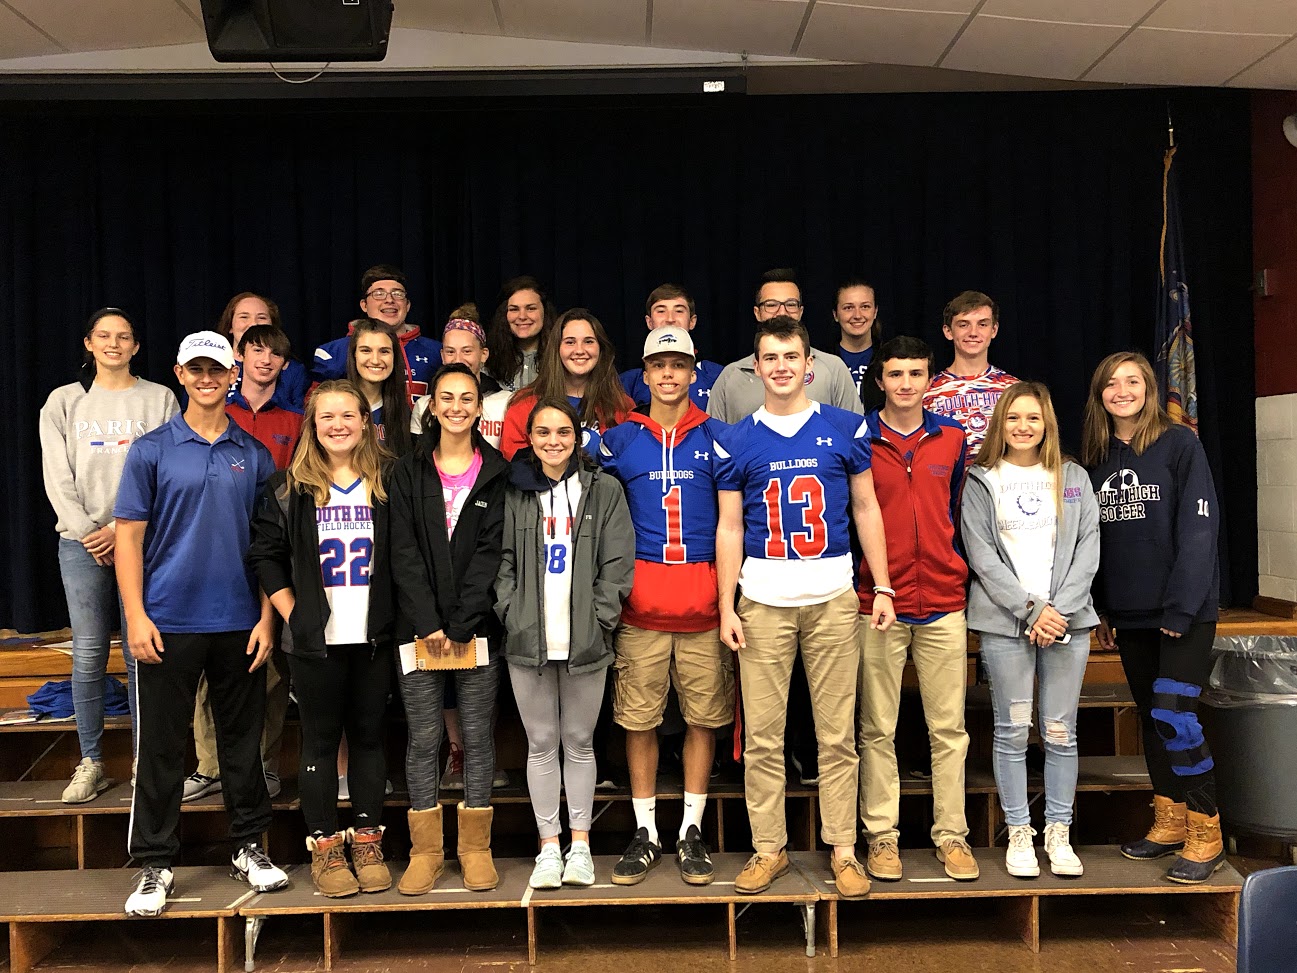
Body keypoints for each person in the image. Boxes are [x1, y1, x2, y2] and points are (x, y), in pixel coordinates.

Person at [714, 315, 892, 900]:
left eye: (791, 356)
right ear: (756, 366)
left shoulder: (845, 426)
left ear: (809, 365)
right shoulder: (735, 438)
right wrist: (726, 605)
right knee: (764, 739)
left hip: (831, 599)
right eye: (771, 357)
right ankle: (770, 849)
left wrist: (882, 586)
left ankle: (843, 849)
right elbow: (729, 526)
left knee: (836, 737)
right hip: (763, 601)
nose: (782, 366)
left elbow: (866, 508)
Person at [114, 331, 287, 917]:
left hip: (239, 621)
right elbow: (128, 538)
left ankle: (248, 846)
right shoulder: (151, 450)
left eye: (217, 369)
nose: (208, 379)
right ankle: (155, 863)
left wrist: (266, 617)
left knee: (242, 745)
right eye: (197, 370)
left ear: (232, 374)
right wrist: (136, 616)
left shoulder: (253, 453)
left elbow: (267, 546)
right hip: (166, 622)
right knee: (162, 749)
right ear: (180, 374)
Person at [248, 380, 395, 898]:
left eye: (348, 415)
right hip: (317, 640)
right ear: (311, 425)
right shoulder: (288, 487)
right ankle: (326, 847)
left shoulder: (388, 480)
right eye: (326, 416)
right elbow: (266, 555)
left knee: (370, 737)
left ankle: (368, 840)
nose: (338, 425)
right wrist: (294, 614)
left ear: (365, 423)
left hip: (373, 635)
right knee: (319, 739)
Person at [599, 327, 734, 886]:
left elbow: (735, 522)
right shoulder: (618, 440)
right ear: (646, 373)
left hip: (703, 607)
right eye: (659, 365)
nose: (669, 374)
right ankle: (646, 830)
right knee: (639, 720)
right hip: (641, 608)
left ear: (693, 372)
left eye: (679, 365)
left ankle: (690, 829)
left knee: (704, 718)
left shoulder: (719, 437)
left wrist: (728, 600)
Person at [1082, 351, 1224, 884]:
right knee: (1150, 716)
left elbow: (1199, 529)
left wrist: (1182, 605)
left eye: (1133, 381)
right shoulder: (1096, 458)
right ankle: (1169, 820)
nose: (1122, 391)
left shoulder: (1179, 444)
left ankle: (1206, 830)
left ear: (1149, 388)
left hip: (1182, 610)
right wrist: (1102, 608)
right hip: (1129, 612)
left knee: (1175, 715)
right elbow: (1096, 542)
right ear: (1100, 394)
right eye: (1111, 383)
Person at [39, 308, 178, 804]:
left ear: (136, 346)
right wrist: (87, 531)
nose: (114, 344)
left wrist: (121, 529)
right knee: (89, 651)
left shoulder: (159, 399)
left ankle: (144, 758)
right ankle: (92, 761)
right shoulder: (63, 401)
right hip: (81, 544)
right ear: (89, 343)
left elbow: (168, 469)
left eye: (123, 337)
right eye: (104, 336)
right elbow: (56, 476)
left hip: (140, 541)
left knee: (142, 650)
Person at [961, 381, 1100, 878]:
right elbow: (980, 555)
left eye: (1033, 418)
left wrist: (1056, 611)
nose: (1023, 426)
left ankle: (1058, 832)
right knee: (1013, 729)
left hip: (1067, 623)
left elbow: (1088, 548)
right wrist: (1030, 610)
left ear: (1047, 424)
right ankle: (1019, 832)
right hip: (1006, 624)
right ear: (1001, 422)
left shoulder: (1073, 477)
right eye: (1014, 417)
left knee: (1060, 732)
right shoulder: (981, 479)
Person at [496, 398, 635, 889]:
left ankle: (581, 846)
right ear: (529, 438)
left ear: (578, 437)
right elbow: (501, 561)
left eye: (562, 432)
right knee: (539, 744)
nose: (553, 441)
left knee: (578, 742)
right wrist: (511, 613)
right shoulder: (514, 490)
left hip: (585, 643)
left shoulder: (604, 489)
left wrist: (599, 620)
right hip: (528, 640)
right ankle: (548, 847)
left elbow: (618, 564)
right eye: (543, 432)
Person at [856, 336, 979, 882]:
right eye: (896, 374)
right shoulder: (860, 438)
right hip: (878, 603)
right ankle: (882, 837)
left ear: (931, 379)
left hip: (944, 602)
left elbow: (956, 510)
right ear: (880, 379)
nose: (906, 384)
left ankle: (952, 836)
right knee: (877, 728)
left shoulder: (952, 437)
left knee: (948, 728)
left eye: (916, 373)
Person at [389, 363, 510, 894]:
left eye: (466, 398)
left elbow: (492, 554)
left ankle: (476, 848)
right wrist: (429, 624)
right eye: (447, 397)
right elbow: (402, 551)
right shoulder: (406, 470)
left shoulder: (498, 472)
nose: (457, 407)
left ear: (479, 408)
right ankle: (426, 852)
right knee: (423, 738)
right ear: (431, 406)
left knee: (478, 737)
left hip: (476, 630)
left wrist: (460, 624)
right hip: (417, 630)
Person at [182, 324, 301, 804]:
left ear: (285, 365)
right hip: (216, 554)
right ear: (240, 359)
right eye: (256, 351)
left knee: (268, 668)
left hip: (273, 552)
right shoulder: (213, 410)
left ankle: (263, 764)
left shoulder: (294, 420)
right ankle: (210, 766)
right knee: (208, 672)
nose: (265, 360)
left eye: (275, 353)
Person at [707, 268, 862, 423]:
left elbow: (854, 431)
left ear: (800, 311)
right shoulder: (730, 377)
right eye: (771, 305)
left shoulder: (833, 369)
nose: (782, 312)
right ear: (757, 312)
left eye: (791, 304)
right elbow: (715, 436)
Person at [498, 308, 634, 460]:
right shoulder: (524, 404)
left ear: (601, 349)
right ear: (557, 349)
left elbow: (631, 464)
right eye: (570, 342)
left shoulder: (622, 405)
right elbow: (515, 464)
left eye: (588, 341)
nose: (579, 350)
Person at [312, 265, 442, 401]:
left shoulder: (436, 351)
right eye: (379, 294)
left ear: (407, 305)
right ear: (364, 305)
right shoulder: (333, 352)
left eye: (397, 294)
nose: (389, 300)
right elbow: (316, 406)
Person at [923, 290, 1018, 468]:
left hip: (1001, 482)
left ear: (994, 330)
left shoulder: (1013, 389)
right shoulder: (927, 390)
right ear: (948, 331)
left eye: (982, 324)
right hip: (947, 482)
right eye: (963, 325)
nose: (973, 333)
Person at [412, 304, 509, 450]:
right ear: (442, 355)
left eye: (467, 351)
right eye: (450, 352)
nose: (458, 359)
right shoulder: (424, 405)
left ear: (484, 354)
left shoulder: (506, 402)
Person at [618, 284, 725, 411]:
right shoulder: (627, 382)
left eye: (679, 311)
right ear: (649, 322)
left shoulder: (719, 376)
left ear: (692, 321)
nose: (670, 319)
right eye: (661, 311)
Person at [215, 292, 309, 410]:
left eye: (261, 318)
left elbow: (300, 415)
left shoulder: (293, 371)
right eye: (244, 317)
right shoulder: (213, 365)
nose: (253, 324)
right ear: (230, 326)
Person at [346, 319, 414, 457]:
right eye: (366, 350)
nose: (375, 360)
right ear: (354, 354)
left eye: (384, 351)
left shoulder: (403, 411)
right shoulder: (335, 405)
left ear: (394, 356)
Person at [484, 275, 556, 393]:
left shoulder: (561, 357)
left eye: (531, 308)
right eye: (514, 309)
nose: (522, 316)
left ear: (545, 312)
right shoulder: (488, 360)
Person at [831, 278, 882, 410]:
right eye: (848, 308)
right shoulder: (822, 360)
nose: (857, 315)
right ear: (835, 314)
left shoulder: (889, 357)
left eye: (865, 307)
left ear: (875, 312)